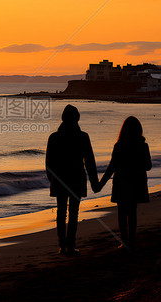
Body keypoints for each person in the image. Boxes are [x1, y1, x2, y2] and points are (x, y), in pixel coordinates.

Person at [45, 104, 99, 256]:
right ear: (77, 119)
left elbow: (49, 163)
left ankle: (62, 246)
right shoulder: (83, 137)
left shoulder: (54, 137)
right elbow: (89, 161)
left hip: (60, 180)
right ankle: (70, 245)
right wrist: (95, 183)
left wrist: (52, 180)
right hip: (77, 178)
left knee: (61, 212)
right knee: (73, 212)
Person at [99, 116, 152, 251]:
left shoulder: (119, 145)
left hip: (121, 181)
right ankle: (132, 241)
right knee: (132, 212)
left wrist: (101, 183)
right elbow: (148, 166)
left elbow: (112, 166)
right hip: (136, 182)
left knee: (122, 213)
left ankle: (124, 241)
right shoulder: (143, 145)